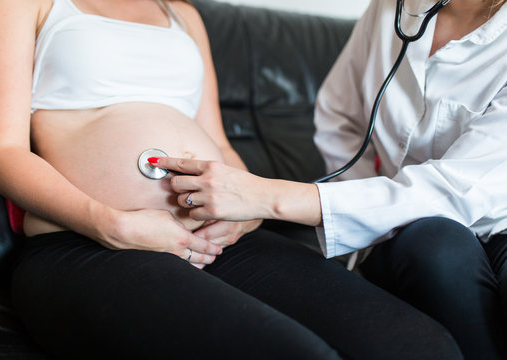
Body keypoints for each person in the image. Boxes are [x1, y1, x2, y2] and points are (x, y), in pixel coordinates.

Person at [0, 0, 463, 358]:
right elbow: (0, 152)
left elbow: (220, 147)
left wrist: (242, 219)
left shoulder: (184, 16)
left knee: (422, 345)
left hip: (220, 241)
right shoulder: (18, 4)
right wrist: (112, 224)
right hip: (88, 246)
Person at [152, 0, 507, 359]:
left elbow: (454, 193)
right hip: (410, 235)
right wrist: (365, 210)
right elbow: (340, 115)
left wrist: (265, 196)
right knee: (437, 243)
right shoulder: (393, 7)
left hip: (497, 226)